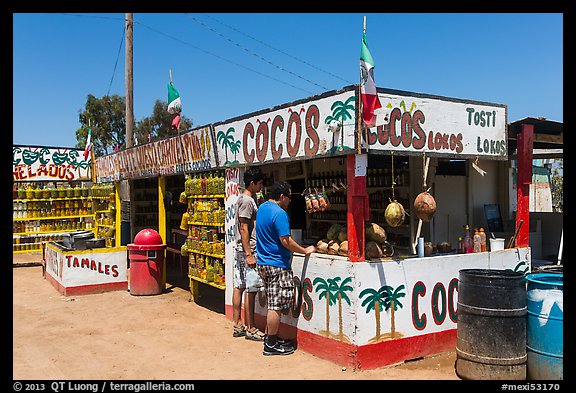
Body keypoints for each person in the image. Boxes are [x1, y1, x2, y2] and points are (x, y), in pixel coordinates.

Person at [256, 181, 316, 355]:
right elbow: (286, 241)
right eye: (289, 197)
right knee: (275, 306)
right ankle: (271, 344)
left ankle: (272, 337)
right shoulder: (280, 214)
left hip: (263, 263)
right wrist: (305, 250)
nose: (290, 201)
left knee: (272, 303)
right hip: (277, 265)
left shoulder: (262, 209)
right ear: (282, 197)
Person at [232, 166, 266, 341]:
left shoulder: (244, 199)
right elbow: (244, 227)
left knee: (240, 286)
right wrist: (249, 253)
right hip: (248, 250)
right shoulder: (247, 201)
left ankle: (238, 324)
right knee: (250, 289)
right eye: (259, 184)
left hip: (242, 250)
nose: (261, 187)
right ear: (252, 183)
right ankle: (250, 327)